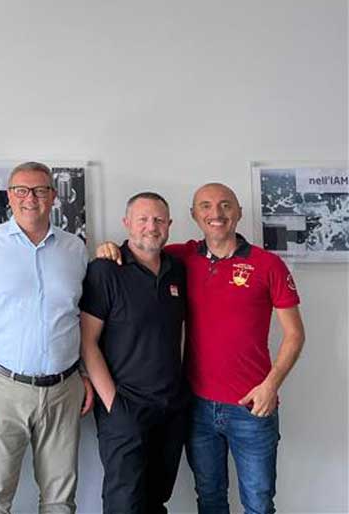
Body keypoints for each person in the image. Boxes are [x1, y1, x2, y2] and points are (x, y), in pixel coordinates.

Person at [96, 183, 305, 514]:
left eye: (225, 205)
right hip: (197, 407)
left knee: (259, 502)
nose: (216, 213)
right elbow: (141, 247)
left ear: (239, 212)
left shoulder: (268, 264)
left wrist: (271, 385)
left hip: (252, 406)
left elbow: (295, 334)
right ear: (194, 215)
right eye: (205, 206)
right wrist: (109, 248)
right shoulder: (182, 258)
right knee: (209, 500)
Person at [0, 161, 93, 514]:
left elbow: (81, 316)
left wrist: (84, 373)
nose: (30, 198)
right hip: (1, 387)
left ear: (53, 196)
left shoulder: (75, 249)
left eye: (39, 190)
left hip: (64, 389)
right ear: (9, 196)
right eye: (21, 190)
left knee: (60, 500)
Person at [80, 192, 188, 513]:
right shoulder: (105, 270)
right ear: (127, 223)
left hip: (170, 408)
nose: (151, 227)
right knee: (124, 503)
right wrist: (114, 404)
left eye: (158, 220)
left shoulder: (177, 270)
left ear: (169, 225)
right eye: (142, 219)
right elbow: (87, 342)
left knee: (157, 500)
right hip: (125, 407)